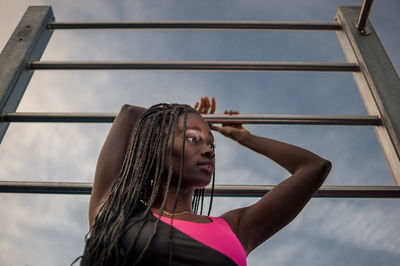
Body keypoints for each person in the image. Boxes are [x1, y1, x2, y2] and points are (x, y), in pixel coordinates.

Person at [79, 97, 331, 266]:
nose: (209, 150)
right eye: (193, 139)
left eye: (211, 143)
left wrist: (244, 138)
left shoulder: (235, 228)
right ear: (156, 145)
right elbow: (130, 113)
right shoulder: (114, 212)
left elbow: (314, 167)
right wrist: (176, 119)